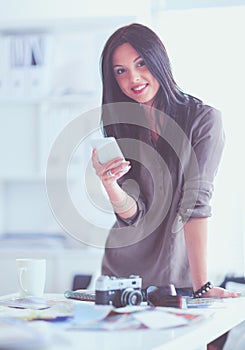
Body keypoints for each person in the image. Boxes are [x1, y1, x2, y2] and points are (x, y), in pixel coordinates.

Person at [92, 23, 239, 299]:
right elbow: (135, 215)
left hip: (177, 277)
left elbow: (196, 202)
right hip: (122, 275)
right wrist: (110, 185)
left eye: (141, 63)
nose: (133, 78)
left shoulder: (203, 120)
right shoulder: (123, 126)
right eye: (120, 71)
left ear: (160, 61)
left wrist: (202, 286)